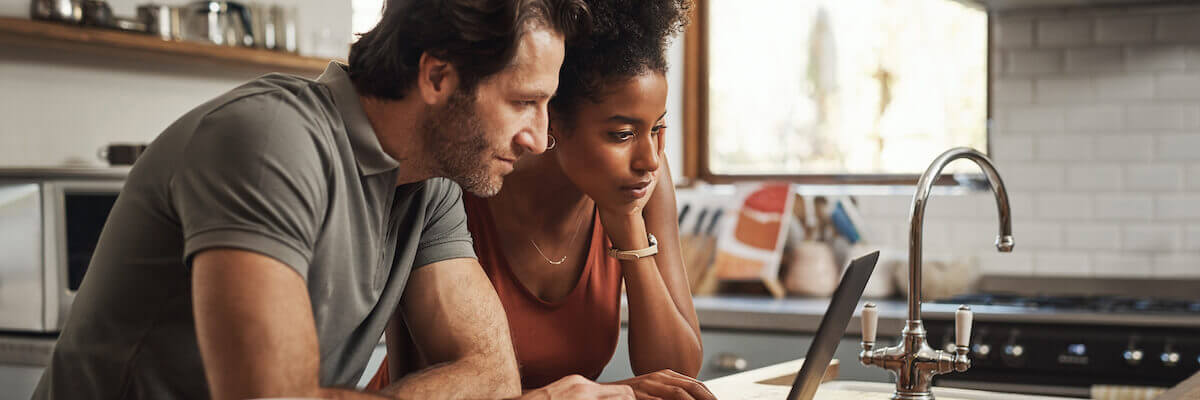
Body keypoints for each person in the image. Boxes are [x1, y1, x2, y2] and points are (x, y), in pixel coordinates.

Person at [32, 0, 637, 399]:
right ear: (437, 77)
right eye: (523, 101)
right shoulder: (271, 139)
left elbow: (492, 375)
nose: (536, 139)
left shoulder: (429, 187)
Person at [365, 1, 712, 399]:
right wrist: (605, 392)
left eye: (658, 127)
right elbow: (426, 379)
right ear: (553, 119)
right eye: (621, 134)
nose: (650, 159)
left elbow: (678, 374)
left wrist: (628, 226)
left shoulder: (641, 182)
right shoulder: (458, 184)